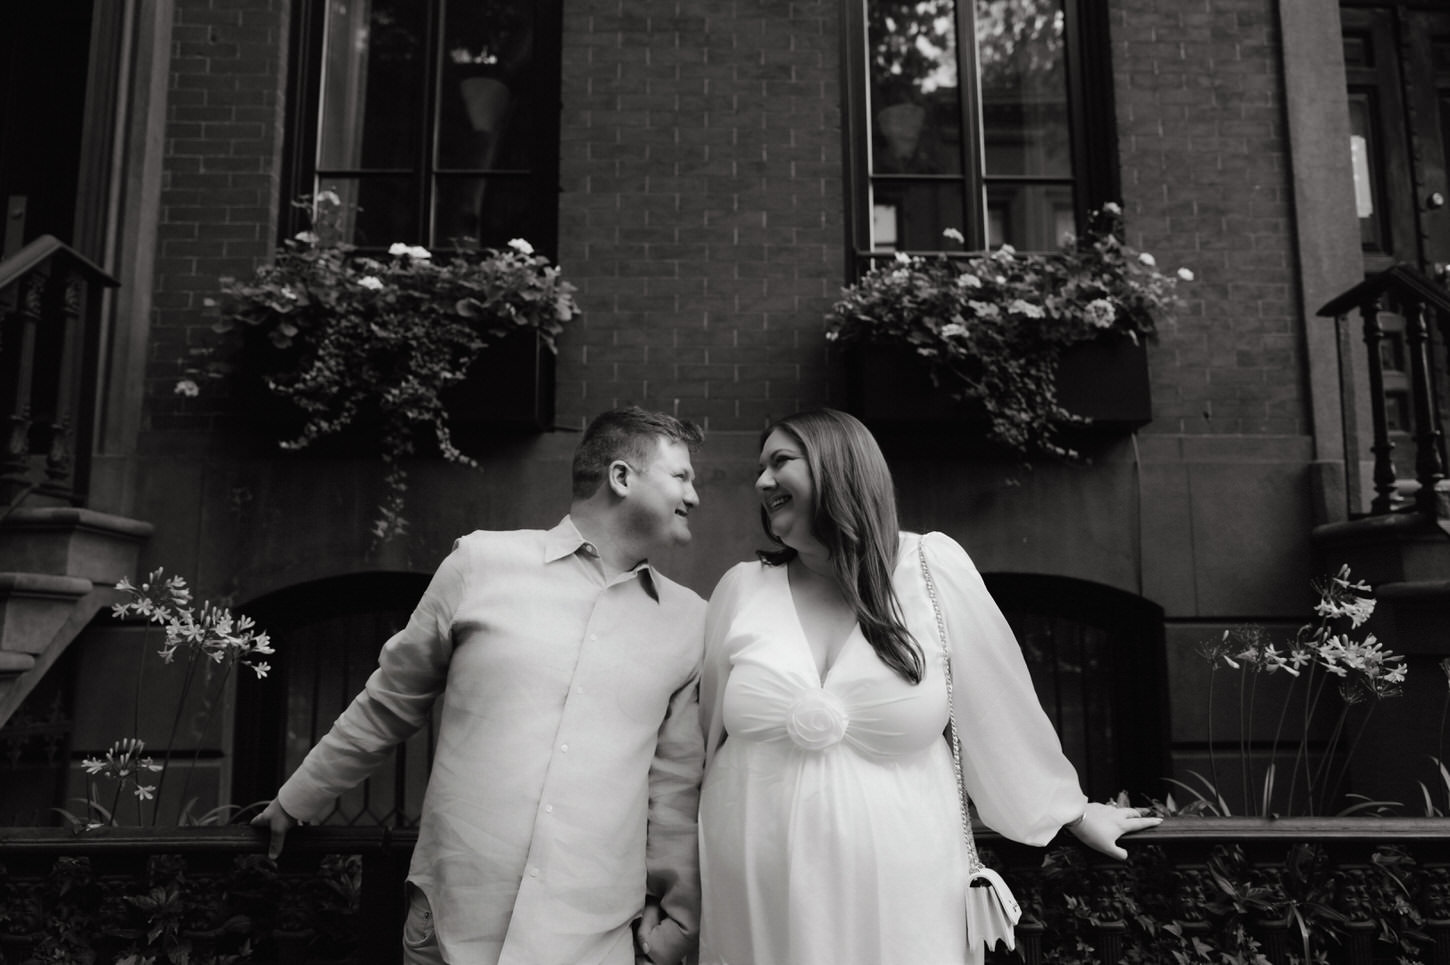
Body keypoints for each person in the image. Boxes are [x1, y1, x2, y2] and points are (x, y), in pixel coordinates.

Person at [697, 408, 1160, 965]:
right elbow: (701, 743)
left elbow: (998, 706)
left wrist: (1071, 811)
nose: (762, 481)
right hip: (754, 890)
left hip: (904, 889)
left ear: (838, 466)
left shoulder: (930, 569)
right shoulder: (741, 590)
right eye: (760, 467)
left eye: (781, 462)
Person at [251, 406, 709, 965]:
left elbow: (675, 790)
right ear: (621, 477)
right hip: (453, 922)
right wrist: (300, 797)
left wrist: (679, 920)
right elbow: (390, 702)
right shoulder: (480, 563)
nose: (694, 497)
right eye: (681, 477)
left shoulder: (691, 622)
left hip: (595, 933)